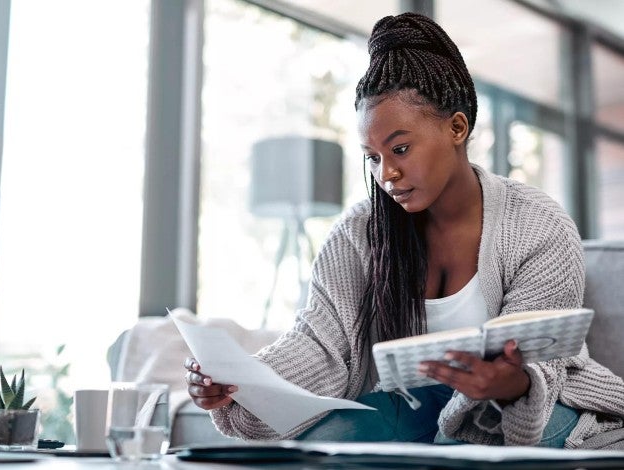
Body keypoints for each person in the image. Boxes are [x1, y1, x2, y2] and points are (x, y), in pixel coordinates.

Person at [184, 12, 624, 447]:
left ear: (457, 127)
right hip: (416, 406)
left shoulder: (539, 224)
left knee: (470, 437)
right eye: (372, 157)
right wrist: (239, 383)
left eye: (400, 148)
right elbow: (321, 345)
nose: (386, 174)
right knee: (329, 442)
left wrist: (508, 382)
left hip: (530, 407)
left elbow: (542, 362)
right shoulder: (358, 234)